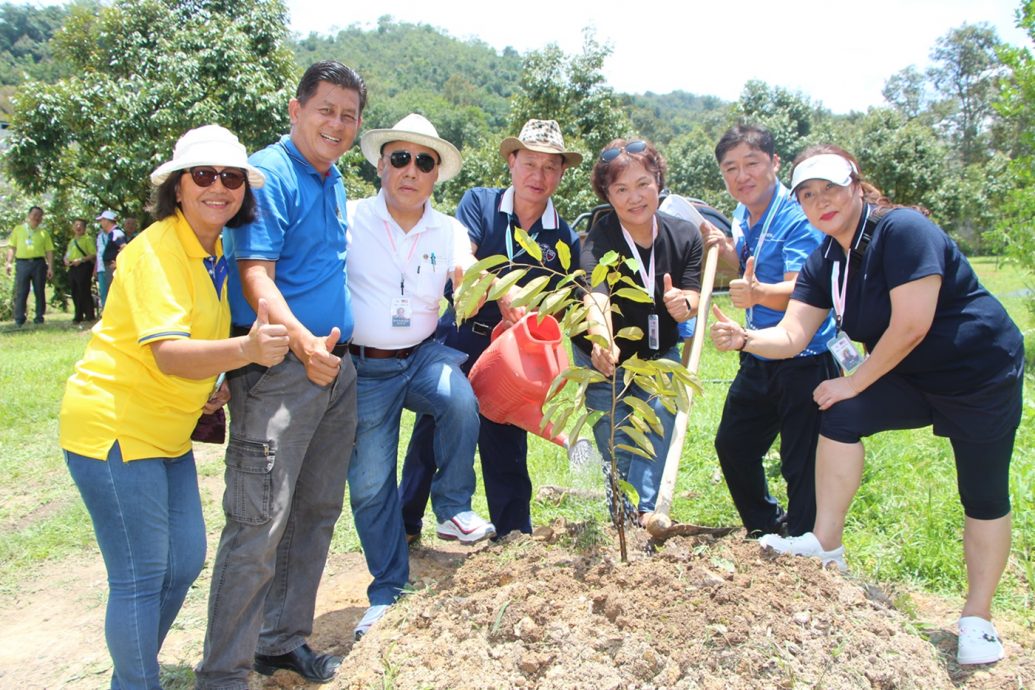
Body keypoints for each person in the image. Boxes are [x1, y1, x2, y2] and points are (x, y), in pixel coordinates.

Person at [710, 145, 1024, 666]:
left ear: (857, 185)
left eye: (831, 189)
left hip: (977, 374)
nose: (821, 202)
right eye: (808, 195)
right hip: (908, 375)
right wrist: (745, 339)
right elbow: (793, 335)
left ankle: (978, 618)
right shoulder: (826, 260)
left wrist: (854, 381)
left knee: (983, 492)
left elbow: (912, 325)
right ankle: (825, 543)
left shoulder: (903, 231)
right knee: (838, 412)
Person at [58, 124, 288, 690]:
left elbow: (189, 346)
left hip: (166, 432)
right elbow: (166, 353)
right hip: (116, 427)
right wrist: (244, 351)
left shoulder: (212, 251)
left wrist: (216, 379)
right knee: (141, 575)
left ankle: (131, 676)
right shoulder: (157, 249)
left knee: (183, 561)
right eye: (203, 175)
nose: (218, 186)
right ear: (178, 187)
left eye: (231, 177)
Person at [195, 60, 365, 689]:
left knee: (316, 510)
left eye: (349, 115)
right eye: (326, 110)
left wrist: (326, 354)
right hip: (280, 370)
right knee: (259, 519)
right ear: (296, 110)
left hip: (334, 367)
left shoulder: (333, 177)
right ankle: (222, 673)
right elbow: (255, 276)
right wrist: (302, 342)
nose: (337, 124)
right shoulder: (269, 175)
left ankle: (281, 641)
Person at [399, 119, 582, 539]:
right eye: (530, 163)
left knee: (507, 436)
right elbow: (463, 263)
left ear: (561, 173)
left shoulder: (563, 237)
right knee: (434, 429)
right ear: (512, 162)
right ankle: (405, 524)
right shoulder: (480, 204)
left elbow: (564, 304)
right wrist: (502, 291)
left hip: (516, 354)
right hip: (463, 336)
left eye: (550, 167)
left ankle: (514, 532)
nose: (538, 176)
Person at [346, 113, 491, 638]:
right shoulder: (349, 217)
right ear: (381, 165)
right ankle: (387, 589)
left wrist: (470, 278)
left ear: (435, 174)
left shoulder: (448, 229)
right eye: (401, 158)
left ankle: (452, 506)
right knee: (370, 484)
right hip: (365, 367)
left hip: (423, 354)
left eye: (424, 161)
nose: (411, 170)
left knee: (459, 399)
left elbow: (465, 264)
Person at [701, 125, 838, 538]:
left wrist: (759, 293)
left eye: (752, 163)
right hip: (759, 353)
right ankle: (767, 528)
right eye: (731, 168)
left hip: (805, 358)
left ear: (774, 163)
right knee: (734, 444)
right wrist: (726, 249)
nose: (742, 176)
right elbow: (750, 264)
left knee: (801, 461)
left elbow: (804, 290)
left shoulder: (798, 216)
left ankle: (805, 543)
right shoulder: (743, 213)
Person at [575, 138, 702, 520]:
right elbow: (595, 296)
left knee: (657, 420)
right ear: (607, 194)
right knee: (614, 438)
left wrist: (684, 304)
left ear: (658, 181)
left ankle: (646, 515)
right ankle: (623, 518)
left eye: (643, 183)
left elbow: (693, 292)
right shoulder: (599, 240)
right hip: (604, 355)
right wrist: (602, 341)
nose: (635, 197)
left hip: (658, 352)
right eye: (621, 189)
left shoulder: (685, 235)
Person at [5, 205, 53, 326]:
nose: (36, 218)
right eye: (34, 215)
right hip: (22, 263)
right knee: (21, 291)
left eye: (39, 216)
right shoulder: (18, 229)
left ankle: (39, 317)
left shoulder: (43, 233)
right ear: (29, 215)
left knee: (39, 291)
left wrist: (50, 267)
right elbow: (12, 247)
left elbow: (49, 251)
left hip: (39, 263)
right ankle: (19, 318)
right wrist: (9, 262)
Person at [63, 218, 96, 323]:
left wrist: (81, 260)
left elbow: (93, 254)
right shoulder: (72, 241)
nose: (78, 227)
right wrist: (65, 259)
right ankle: (78, 315)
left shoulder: (87, 239)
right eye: (76, 225)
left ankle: (89, 315)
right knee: (75, 291)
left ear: (84, 228)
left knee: (84, 291)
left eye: (80, 225)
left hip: (83, 267)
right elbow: (67, 254)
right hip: (72, 268)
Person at [94, 210, 125, 310]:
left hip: (112, 268)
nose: (101, 223)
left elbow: (124, 247)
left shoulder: (116, 233)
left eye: (102, 220)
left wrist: (118, 263)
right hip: (107, 267)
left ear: (107, 221)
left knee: (111, 293)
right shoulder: (111, 233)